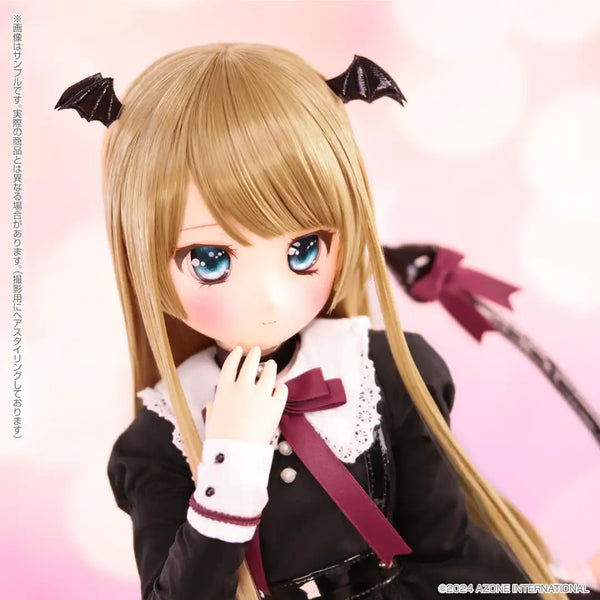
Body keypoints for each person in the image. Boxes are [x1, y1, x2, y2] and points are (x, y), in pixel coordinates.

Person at [62, 43, 589, 599]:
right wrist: (229, 462)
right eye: (210, 260)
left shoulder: (384, 370)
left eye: (303, 249)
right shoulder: (161, 436)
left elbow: (446, 549)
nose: (269, 298)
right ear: (141, 257)